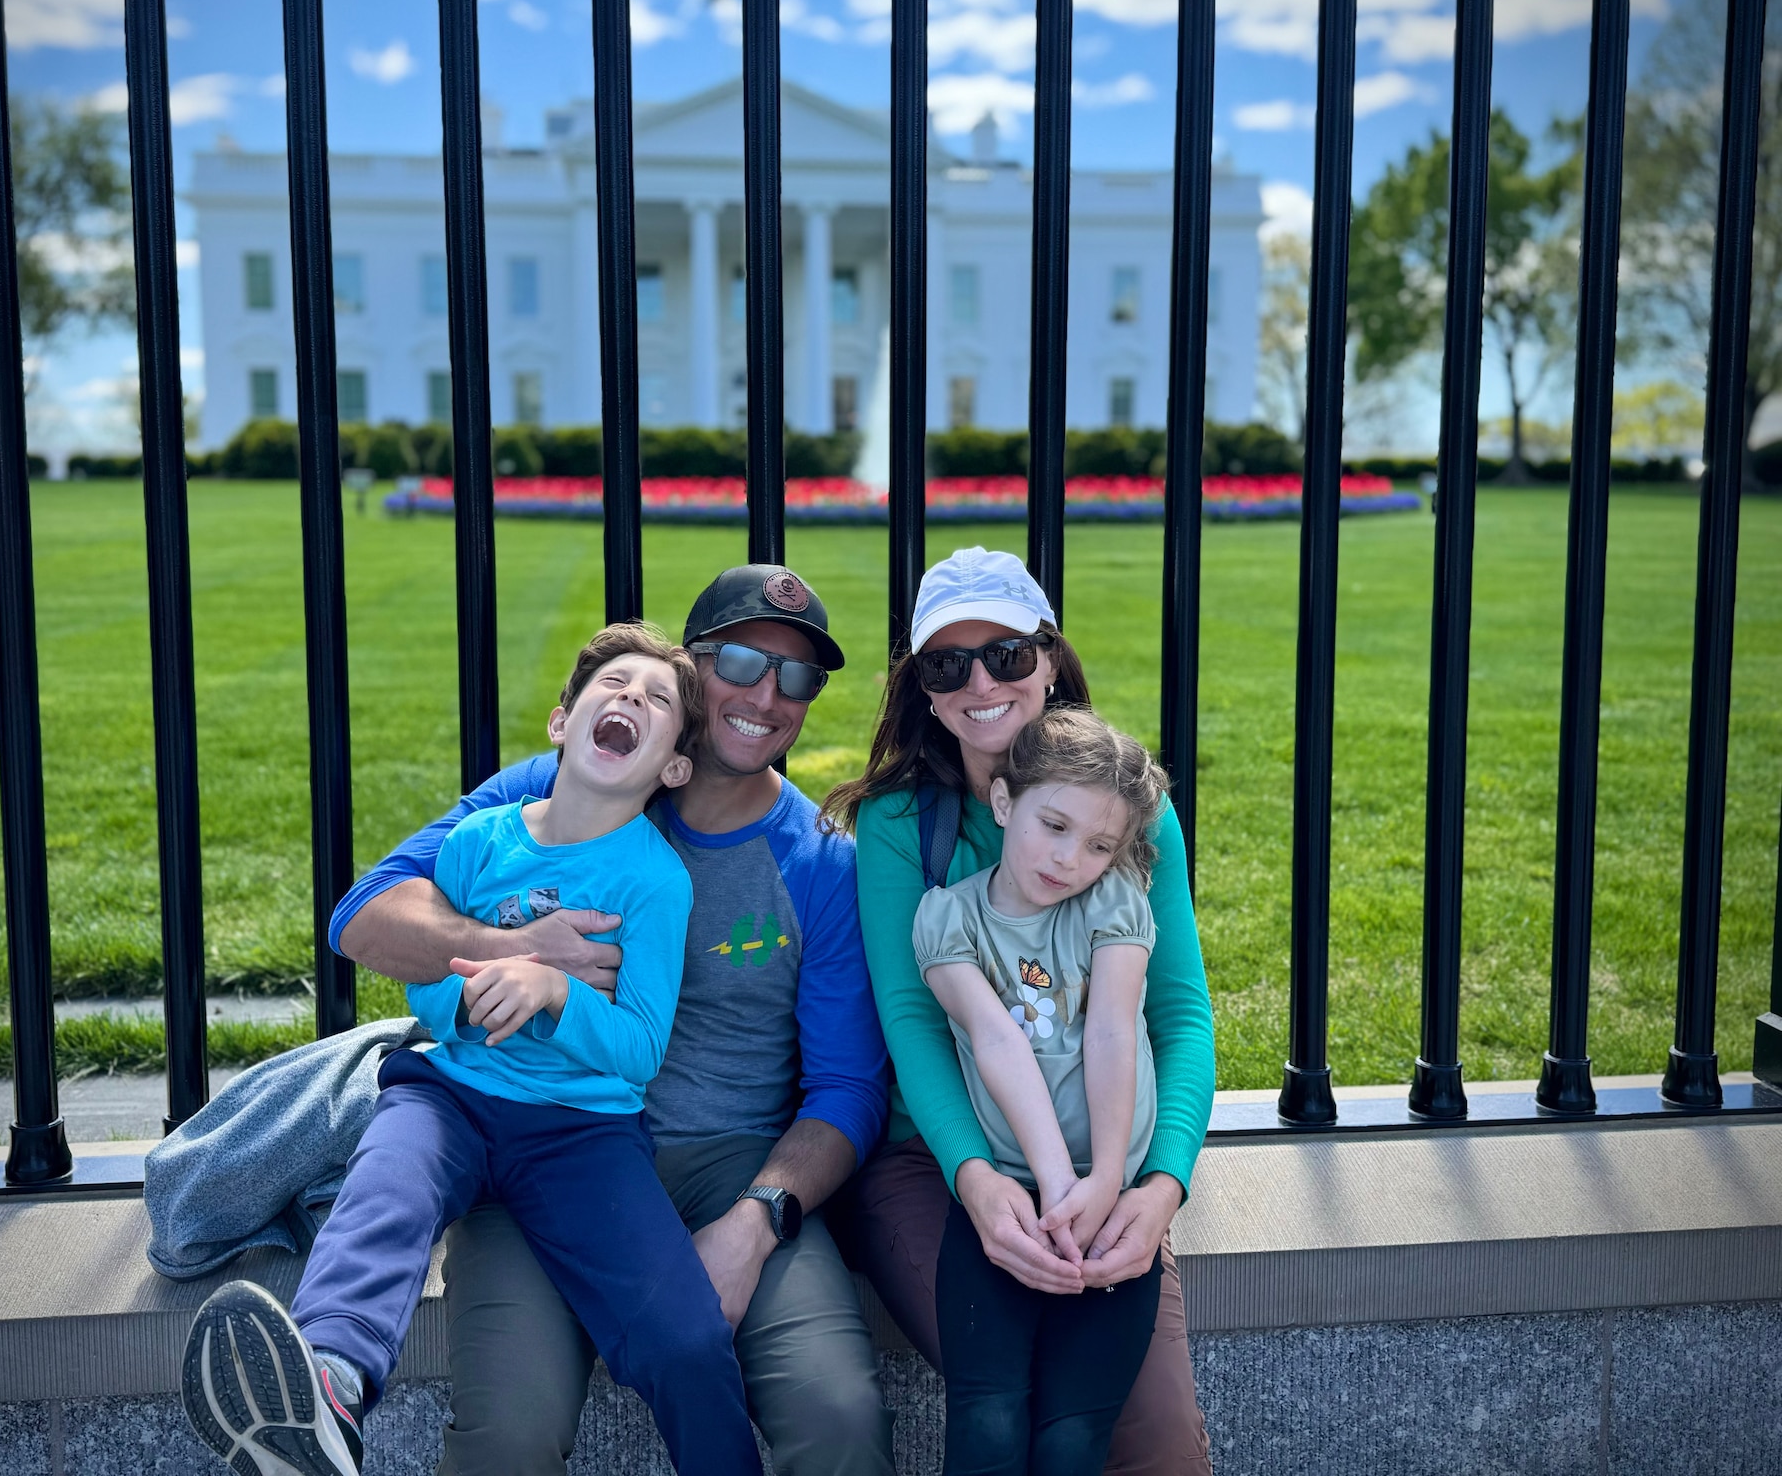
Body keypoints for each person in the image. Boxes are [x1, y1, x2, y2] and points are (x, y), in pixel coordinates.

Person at [334, 565, 893, 1476]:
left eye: (797, 677)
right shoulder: (569, 787)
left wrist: (755, 1221)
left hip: (731, 1164)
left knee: (839, 1418)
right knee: (508, 1438)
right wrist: (514, 950)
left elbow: (846, 1089)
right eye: (744, 661)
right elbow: (363, 918)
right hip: (548, 1138)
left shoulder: (821, 863)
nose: (766, 695)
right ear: (690, 668)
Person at [181, 624, 765, 1476]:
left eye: (659, 700)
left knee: (683, 1338)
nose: (632, 698)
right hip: (449, 1095)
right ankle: (327, 1394)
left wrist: (557, 994)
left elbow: (639, 1049)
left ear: (673, 766)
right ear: (563, 721)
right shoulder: (476, 844)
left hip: (580, 1130)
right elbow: (427, 989)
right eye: (615, 685)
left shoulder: (654, 880)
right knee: (385, 1194)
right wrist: (501, 972)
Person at [824, 545, 1217, 1475]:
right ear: (921, 687)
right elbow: (914, 1022)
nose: (980, 683)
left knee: (1151, 1444)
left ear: (1049, 659)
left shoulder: (1128, 813)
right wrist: (979, 1180)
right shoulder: (894, 828)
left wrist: (1157, 1186)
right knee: (1010, 1399)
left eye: (1005, 653)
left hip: (1104, 1156)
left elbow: (1177, 1013)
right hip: (939, 1158)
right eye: (946, 664)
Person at [918, 707, 1171, 1475]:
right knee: (988, 1424)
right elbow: (996, 1042)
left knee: (1073, 1438)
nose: (1069, 858)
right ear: (1003, 804)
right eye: (1053, 825)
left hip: (1113, 1205)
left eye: (1098, 844)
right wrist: (1058, 1181)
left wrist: (1101, 1182)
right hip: (1009, 1198)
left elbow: (1112, 1031)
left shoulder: (1113, 901)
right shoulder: (947, 919)